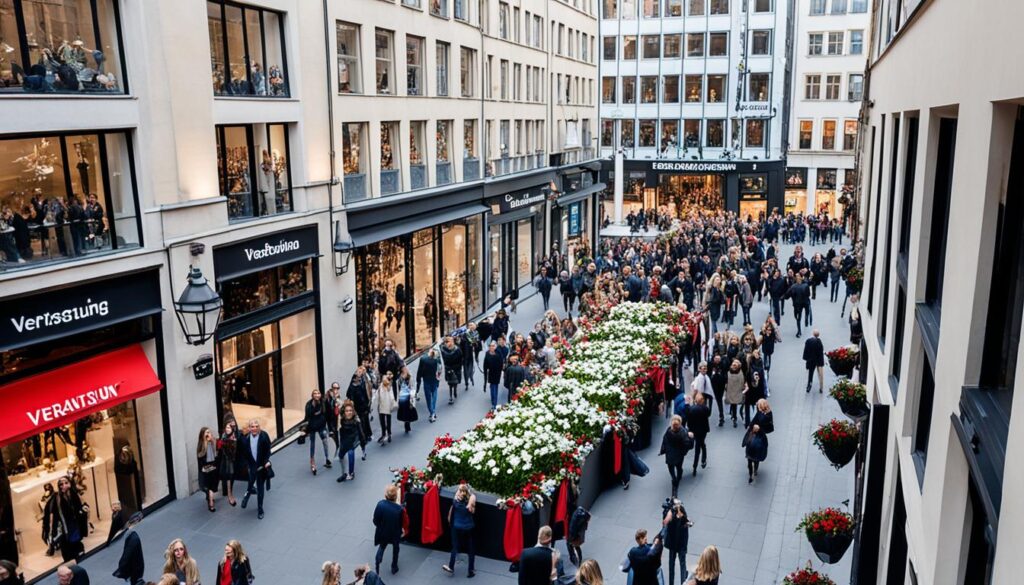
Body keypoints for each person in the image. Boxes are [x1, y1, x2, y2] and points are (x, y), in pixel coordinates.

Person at [43, 476, 89, 561]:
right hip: (64, 527)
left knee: (77, 547)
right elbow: (51, 514)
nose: (63, 486)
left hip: (75, 526)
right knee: (67, 551)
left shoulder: (74, 494)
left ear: (70, 484)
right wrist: (51, 530)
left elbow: (82, 505)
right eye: (61, 484)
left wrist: (83, 509)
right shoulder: (56, 499)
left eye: (66, 483)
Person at [442, 483, 476, 577]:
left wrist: (461, 488)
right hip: (469, 528)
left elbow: (457, 494)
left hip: (457, 527)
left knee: (455, 547)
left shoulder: (455, 502)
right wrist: (471, 500)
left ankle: (451, 567)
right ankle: (471, 570)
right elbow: (473, 510)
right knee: (471, 549)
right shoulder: (470, 502)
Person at [240, 419, 272, 519]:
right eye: (252, 426)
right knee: (250, 483)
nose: (254, 428)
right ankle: (247, 493)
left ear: (259, 427)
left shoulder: (264, 436)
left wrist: (266, 461)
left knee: (260, 489)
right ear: (249, 428)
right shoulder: (245, 439)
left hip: (261, 466)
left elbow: (268, 450)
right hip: (252, 467)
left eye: (256, 426)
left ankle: (260, 509)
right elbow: (244, 453)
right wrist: (247, 465)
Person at [372, 485, 404, 575]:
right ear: (395, 497)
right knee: (396, 547)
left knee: (382, 546)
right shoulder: (399, 509)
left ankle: (377, 562)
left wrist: (380, 527)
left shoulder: (380, 504)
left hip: (383, 531)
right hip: (394, 533)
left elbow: (375, 520)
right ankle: (394, 566)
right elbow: (401, 523)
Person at [659, 416, 693, 497]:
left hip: (670, 454)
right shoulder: (683, 433)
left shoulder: (668, 431)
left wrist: (663, 450)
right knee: (679, 467)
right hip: (679, 455)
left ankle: (674, 479)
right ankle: (678, 477)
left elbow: (664, 441)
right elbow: (688, 445)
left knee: (671, 468)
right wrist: (691, 438)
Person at [662, 500, 691, 585]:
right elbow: (665, 522)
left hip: (677, 544)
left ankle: (681, 583)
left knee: (676, 564)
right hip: (677, 544)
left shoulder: (678, 514)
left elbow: (665, 523)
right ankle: (682, 583)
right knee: (680, 564)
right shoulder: (673, 513)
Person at [303, 389, 332, 474]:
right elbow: (307, 417)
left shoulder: (323, 402)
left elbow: (328, 412)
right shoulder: (309, 405)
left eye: (318, 393)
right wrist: (305, 430)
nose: (317, 395)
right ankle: (312, 463)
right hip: (312, 426)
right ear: (312, 396)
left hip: (321, 425)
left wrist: (329, 427)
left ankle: (327, 459)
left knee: (325, 441)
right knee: (312, 444)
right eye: (315, 393)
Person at [745, 399, 775, 484]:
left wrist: (756, 427)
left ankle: (752, 473)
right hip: (759, 437)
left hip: (756, 437)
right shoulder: (766, 414)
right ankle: (754, 471)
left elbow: (752, 424)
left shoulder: (763, 414)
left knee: (751, 457)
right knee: (755, 457)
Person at [336, 400, 366, 482]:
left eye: (350, 411)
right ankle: (344, 472)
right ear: (344, 412)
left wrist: (363, 446)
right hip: (344, 441)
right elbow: (338, 430)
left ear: (353, 411)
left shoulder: (356, 421)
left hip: (352, 441)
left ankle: (351, 473)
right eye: (347, 411)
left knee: (350, 453)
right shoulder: (341, 420)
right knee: (340, 456)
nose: (349, 412)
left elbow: (361, 434)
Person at [112, 512, 144, 585]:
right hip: (136, 571)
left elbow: (126, 556)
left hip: (134, 572)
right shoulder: (133, 537)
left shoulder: (132, 537)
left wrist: (121, 568)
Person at [347, 366, 374, 448]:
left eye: (362, 370)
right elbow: (350, 391)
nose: (361, 372)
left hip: (365, 403)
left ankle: (367, 435)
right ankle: (364, 437)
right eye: (359, 370)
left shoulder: (365, 378)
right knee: (362, 421)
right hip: (359, 404)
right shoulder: (354, 379)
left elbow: (369, 388)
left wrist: (369, 401)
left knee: (365, 420)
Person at [687, 393, 711, 475]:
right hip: (703, 430)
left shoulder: (691, 409)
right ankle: (703, 460)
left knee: (698, 447)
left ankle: (695, 466)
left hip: (695, 431)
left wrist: (690, 429)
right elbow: (708, 414)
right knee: (701, 444)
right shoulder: (705, 409)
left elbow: (689, 422)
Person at [218, 420, 240, 506]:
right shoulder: (223, 436)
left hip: (230, 461)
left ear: (232, 429)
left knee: (229, 478)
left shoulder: (234, 438)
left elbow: (232, 453)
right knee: (223, 476)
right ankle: (225, 492)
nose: (227, 429)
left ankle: (230, 495)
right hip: (222, 460)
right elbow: (219, 447)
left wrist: (226, 444)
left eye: (229, 428)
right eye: (226, 427)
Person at [416, 349, 441, 422]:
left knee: (428, 397)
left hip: (426, 380)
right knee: (434, 396)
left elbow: (419, 370)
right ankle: (433, 412)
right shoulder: (437, 360)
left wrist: (418, 379)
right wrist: (438, 380)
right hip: (434, 380)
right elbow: (439, 370)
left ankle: (432, 412)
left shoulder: (423, 359)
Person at [375, 372, 397, 444]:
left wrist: (391, 405)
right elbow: (378, 396)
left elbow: (391, 397)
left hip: (385, 406)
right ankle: (386, 434)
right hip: (383, 406)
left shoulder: (388, 387)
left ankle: (386, 434)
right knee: (384, 421)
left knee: (386, 421)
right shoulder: (382, 387)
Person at [440, 336, 463, 404]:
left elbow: (460, 359)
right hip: (448, 368)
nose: (447, 343)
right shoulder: (444, 349)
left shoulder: (457, 349)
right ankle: (450, 397)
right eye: (447, 342)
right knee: (450, 384)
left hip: (456, 368)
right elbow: (443, 358)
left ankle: (455, 390)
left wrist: (459, 367)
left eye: (449, 341)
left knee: (455, 382)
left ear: (452, 342)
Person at [395, 366, 419, 434]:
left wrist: (413, 394)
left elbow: (412, 386)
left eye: (406, 368)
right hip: (402, 397)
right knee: (404, 411)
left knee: (409, 410)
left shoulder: (409, 376)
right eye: (404, 369)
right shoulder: (400, 378)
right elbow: (398, 388)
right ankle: (406, 424)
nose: (406, 369)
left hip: (409, 396)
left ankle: (407, 424)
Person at [723, 359, 746, 428]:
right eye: (733, 365)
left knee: (734, 404)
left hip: (736, 391)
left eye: (735, 365)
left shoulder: (740, 373)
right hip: (730, 391)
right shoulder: (729, 372)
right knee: (733, 404)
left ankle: (734, 417)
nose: (734, 366)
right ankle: (733, 416)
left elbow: (742, 382)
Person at [482, 341, 504, 410]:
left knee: (495, 387)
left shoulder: (498, 353)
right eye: (490, 346)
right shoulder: (487, 354)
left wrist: (501, 372)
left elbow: (501, 363)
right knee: (492, 387)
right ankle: (493, 401)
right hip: (491, 373)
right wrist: (486, 372)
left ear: (496, 346)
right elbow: (485, 365)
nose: (491, 347)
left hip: (497, 373)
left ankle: (494, 404)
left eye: (493, 346)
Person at [802, 329, 825, 394]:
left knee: (810, 373)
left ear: (813, 334)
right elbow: (821, 352)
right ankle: (821, 388)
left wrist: (806, 359)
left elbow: (805, 351)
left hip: (811, 360)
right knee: (820, 375)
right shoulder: (819, 342)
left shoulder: (808, 341)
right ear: (818, 335)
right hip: (818, 361)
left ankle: (809, 385)